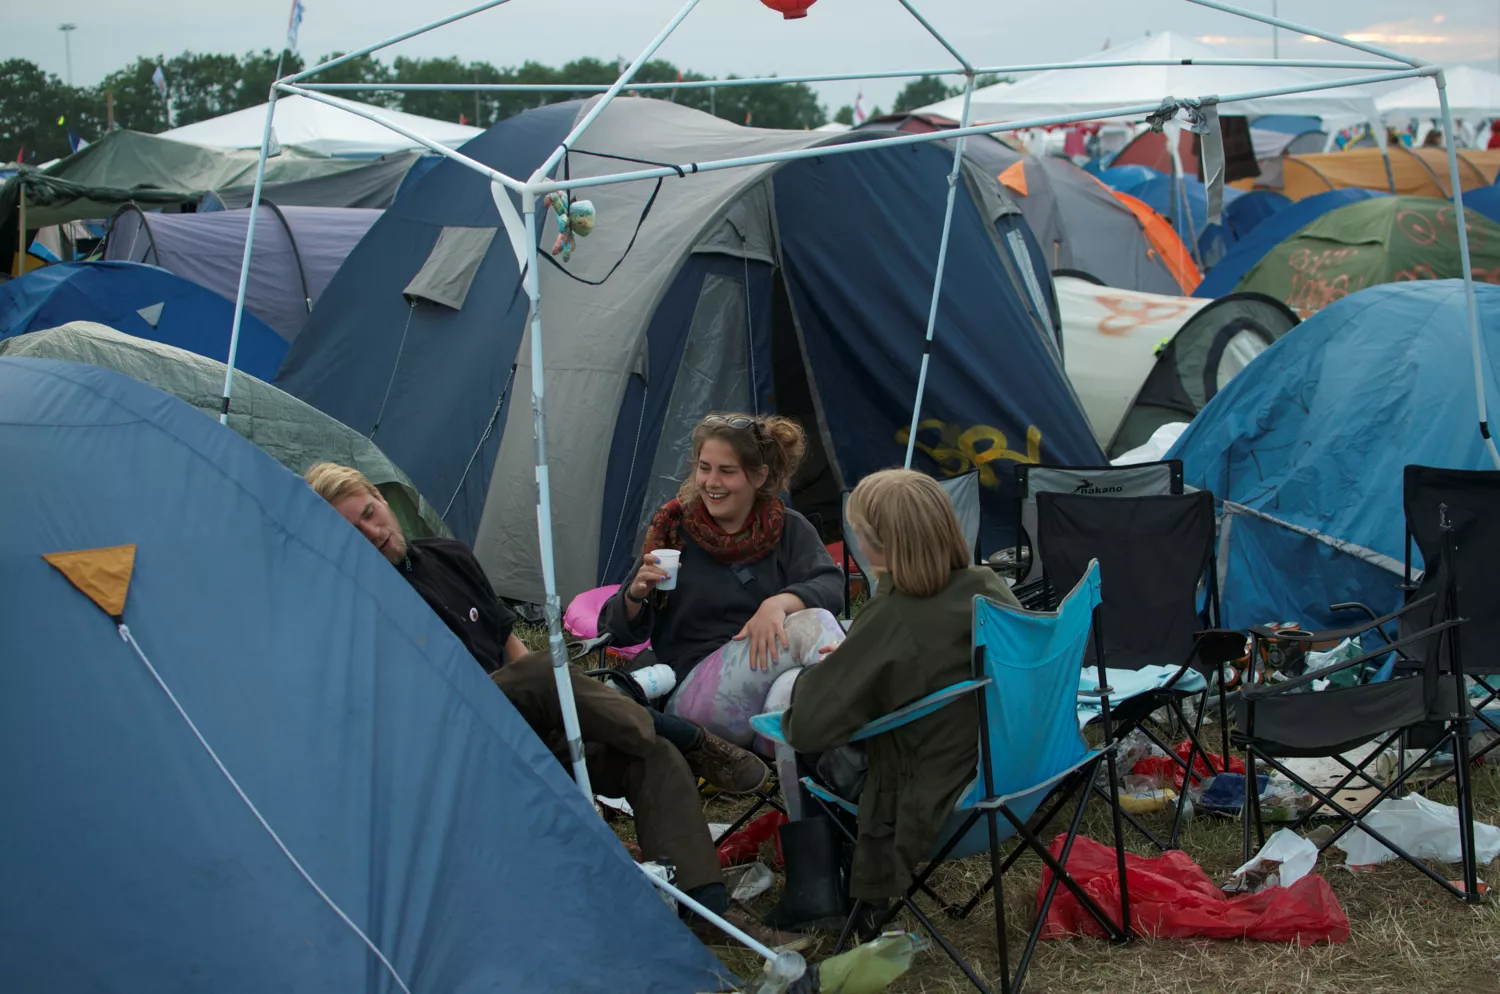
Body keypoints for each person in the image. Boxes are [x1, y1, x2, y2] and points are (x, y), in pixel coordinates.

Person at [301, 462, 777, 937]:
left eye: (369, 513)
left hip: (526, 726)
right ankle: (689, 734)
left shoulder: (449, 556)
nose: (371, 532)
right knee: (533, 673)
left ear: (383, 501)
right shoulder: (356, 608)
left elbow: (513, 646)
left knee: (651, 754)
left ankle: (707, 915)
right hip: (455, 747)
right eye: (352, 530)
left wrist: (573, 705)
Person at [776, 469, 1021, 927]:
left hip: (934, 794)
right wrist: (863, 657)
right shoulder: (986, 584)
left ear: (879, 546)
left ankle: (824, 896)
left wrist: (835, 667)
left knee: (795, 732)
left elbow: (806, 725)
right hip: (1013, 773)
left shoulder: (892, 614)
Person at [600, 414, 844, 750]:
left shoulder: (788, 528)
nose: (711, 482)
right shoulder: (672, 532)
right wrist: (635, 594)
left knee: (790, 689)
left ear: (758, 476)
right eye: (704, 468)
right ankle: (867, 713)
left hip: (759, 705)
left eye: (726, 471)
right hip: (694, 699)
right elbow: (616, 630)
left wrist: (777, 603)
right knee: (812, 624)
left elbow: (831, 586)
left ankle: (810, 794)